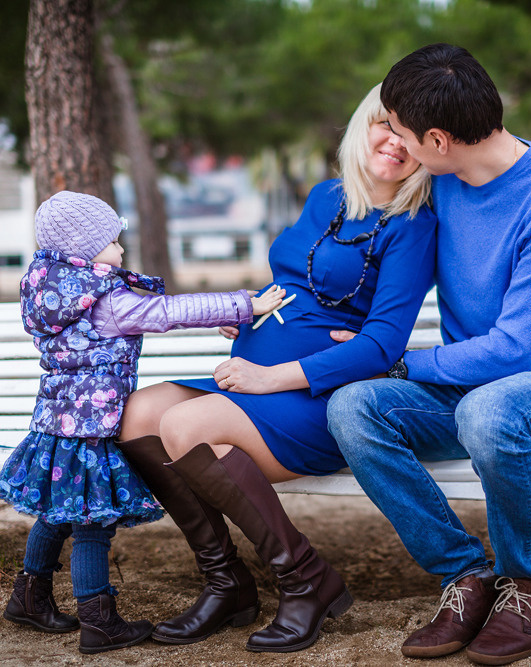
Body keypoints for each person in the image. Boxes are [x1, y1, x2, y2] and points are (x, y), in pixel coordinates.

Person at [115, 83, 437, 653]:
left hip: (316, 397)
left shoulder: (413, 225)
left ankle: (305, 578)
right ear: (364, 123)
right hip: (253, 376)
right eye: (386, 122)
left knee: (185, 429)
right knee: (138, 415)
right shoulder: (326, 195)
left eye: (410, 133)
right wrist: (252, 312)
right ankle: (227, 583)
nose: (394, 140)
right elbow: (297, 278)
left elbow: (383, 345)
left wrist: (271, 376)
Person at [325, 44, 531, 666]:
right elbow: (373, 270)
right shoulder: (438, 183)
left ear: (437, 138)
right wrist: (274, 322)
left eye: (399, 130)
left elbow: (514, 350)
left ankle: (528, 584)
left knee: (491, 412)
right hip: (470, 386)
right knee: (354, 409)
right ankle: (467, 574)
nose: (392, 143)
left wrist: (400, 364)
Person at [0, 190, 284, 655]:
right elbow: (168, 313)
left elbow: (156, 310)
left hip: (56, 423)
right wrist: (244, 305)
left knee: (57, 511)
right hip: (90, 430)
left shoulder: (50, 289)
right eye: (112, 241)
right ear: (83, 252)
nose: (121, 249)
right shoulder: (103, 300)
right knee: (91, 520)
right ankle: (99, 621)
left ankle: (29, 596)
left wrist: (225, 317)